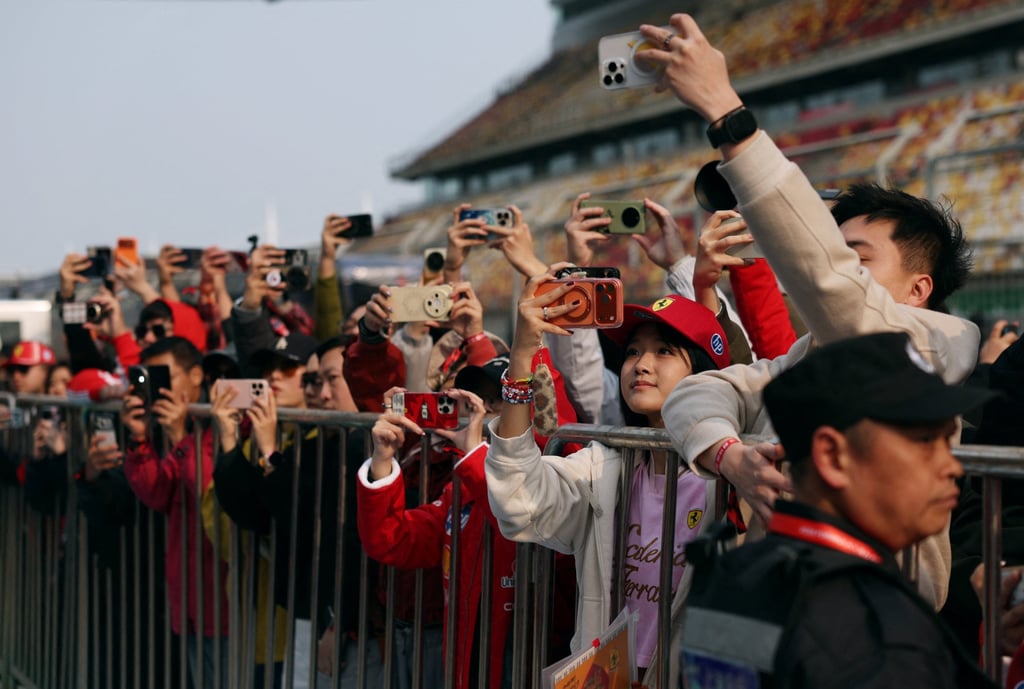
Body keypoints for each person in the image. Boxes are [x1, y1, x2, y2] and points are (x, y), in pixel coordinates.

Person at [640, 14, 978, 607]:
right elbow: (696, 393)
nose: (838, 268)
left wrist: (726, 111)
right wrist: (731, 456)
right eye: (836, 251)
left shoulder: (934, 346)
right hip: (772, 617)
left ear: (919, 289)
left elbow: (830, 284)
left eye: (858, 258)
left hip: (862, 631)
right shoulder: (803, 361)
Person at [681, 331, 996, 688]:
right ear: (832, 456)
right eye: (925, 441)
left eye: (948, 442)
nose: (952, 467)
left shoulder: (735, 573)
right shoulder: (877, 633)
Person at [486, 263, 731, 685]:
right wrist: (522, 361)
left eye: (665, 351)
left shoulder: (732, 481)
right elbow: (517, 500)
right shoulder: (606, 467)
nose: (640, 363)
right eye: (633, 351)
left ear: (706, 376)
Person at [120, 336, 229, 689]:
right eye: (152, 380)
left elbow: (210, 495)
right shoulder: (180, 428)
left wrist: (181, 437)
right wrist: (139, 441)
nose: (158, 390)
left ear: (196, 375)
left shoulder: (225, 422)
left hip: (226, 603)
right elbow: (157, 493)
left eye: (165, 378)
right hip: (192, 602)